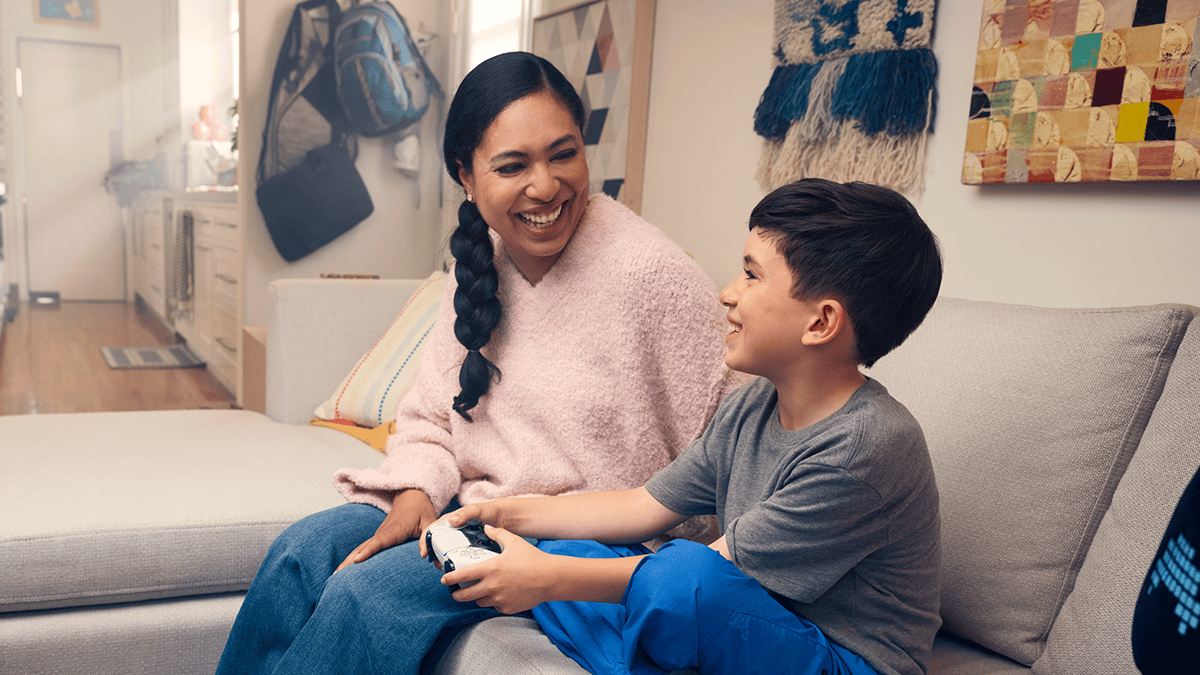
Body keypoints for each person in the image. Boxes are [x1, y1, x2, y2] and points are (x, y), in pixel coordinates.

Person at [215, 52, 741, 674]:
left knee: (368, 597)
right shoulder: (478, 268)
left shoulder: (653, 276)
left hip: (581, 541)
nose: (545, 186)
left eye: (563, 154)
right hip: (470, 512)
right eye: (512, 166)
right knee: (301, 552)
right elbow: (429, 418)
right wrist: (416, 489)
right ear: (466, 176)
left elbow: (736, 444)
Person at [432, 178, 945, 675]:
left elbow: (707, 576)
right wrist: (504, 514)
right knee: (568, 545)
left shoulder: (865, 447)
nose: (727, 293)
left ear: (820, 322)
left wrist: (545, 582)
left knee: (678, 577)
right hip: (754, 618)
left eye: (751, 276)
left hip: (839, 659)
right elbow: (643, 505)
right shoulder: (752, 407)